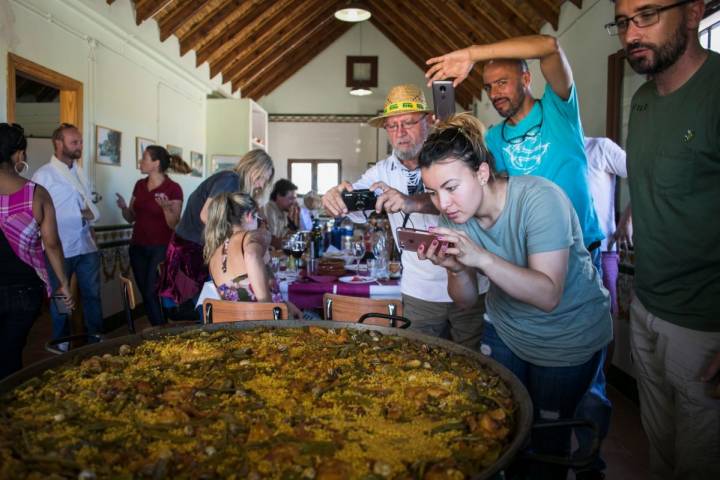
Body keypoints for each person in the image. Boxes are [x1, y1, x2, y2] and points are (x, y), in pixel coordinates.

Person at [426, 36, 610, 478]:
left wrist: (469, 54)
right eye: (434, 193)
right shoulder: (490, 145)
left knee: (561, 427)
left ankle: (590, 467)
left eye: (504, 81)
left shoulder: (557, 119)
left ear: (527, 79)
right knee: (504, 427)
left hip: (570, 272)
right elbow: (467, 299)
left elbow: (547, 294)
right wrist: (456, 267)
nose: (443, 202)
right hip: (508, 313)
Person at [608, 1, 720, 478]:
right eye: (623, 22)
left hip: (703, 325)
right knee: (661, 451)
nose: (632, 33)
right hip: (649, 308)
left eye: (647, 16)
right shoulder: (643, 99)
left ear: (693, 13)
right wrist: (633, 212)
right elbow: (662, 174)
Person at [323, 84, 487, 350]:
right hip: (419, 291)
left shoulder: (453, 157)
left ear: (428, 121)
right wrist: (336, 196)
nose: (400, 133)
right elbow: (355, 204)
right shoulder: (381, 172)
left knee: (473, 362)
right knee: (418, 364)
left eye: (409, 123)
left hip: (472, 282)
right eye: (392, 126)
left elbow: (469, 200)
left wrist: (410, 202)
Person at [0, 123, 74, 378]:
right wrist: (63, 283)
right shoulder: (37, 194)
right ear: (19, 154)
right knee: (11, 352)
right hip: (25, 290)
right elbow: (51, 244)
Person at [158, 149, 274, 310]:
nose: (261, 184)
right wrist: (235, 241)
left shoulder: (232, 182)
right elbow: (206, 215)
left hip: (194, 245)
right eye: (261, 177)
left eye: (265, 181)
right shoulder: (230, 180)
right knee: (207, 306)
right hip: (189, 248)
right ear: (251, 167)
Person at [32, 123, 102, 341]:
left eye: (80, 141)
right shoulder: (43, 175)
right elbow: (35, 214)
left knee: (92, 295)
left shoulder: (81, 173)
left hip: (86, 245)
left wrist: (87, 217)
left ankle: (96, 340)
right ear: (58, 143)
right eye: (74, 142)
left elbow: (89, 207)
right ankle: (61, 342)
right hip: (58, 248)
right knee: (61, 297)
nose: (79, 146)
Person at [204, 192, 301, 318]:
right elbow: (251, 255)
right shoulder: (251, 236)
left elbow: (247, 296)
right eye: (258, 218)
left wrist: (284, 305)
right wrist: (267, 309)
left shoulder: (214, 253)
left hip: (237, 328)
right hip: (263, 327)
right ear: (250, 215)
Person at [116, 145, 183, 326]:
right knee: (145, 292)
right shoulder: (139, 185)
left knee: (151, 290)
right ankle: (159, 327)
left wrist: (166, 209)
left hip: (161, 247)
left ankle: (160, 329)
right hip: (137, 246)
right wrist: (123, 208)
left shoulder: (173, 188)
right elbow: (131, 217)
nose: (140, 161)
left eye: (144, 158)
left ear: (156, 163)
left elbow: (173, 223)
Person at [262, 179, 300, 249]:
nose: (294, 202)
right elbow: (272, 241)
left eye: (295, 198)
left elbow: (285, 237)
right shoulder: (269, 209)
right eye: (291, 198)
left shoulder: (284, 211)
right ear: (278, 196)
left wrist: (293, 225)